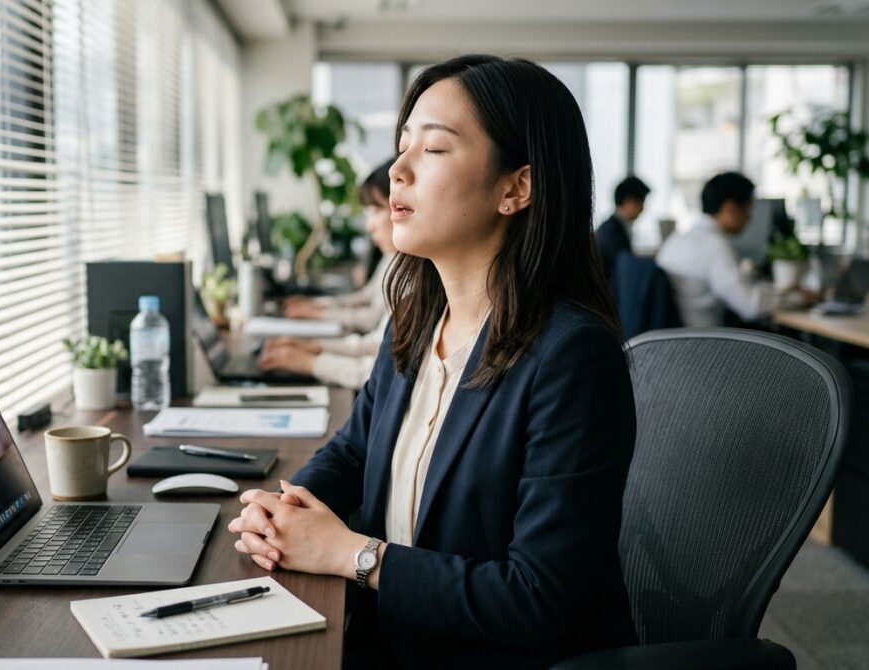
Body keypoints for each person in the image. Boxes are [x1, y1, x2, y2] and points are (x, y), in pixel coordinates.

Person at [227, 55, 637, 669]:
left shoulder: (572, 356)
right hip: (392, 638)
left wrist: (349, 554)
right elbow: (354, 450)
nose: (398, 170)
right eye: (402, 147)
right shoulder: (416, 321)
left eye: (435, 149)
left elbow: (538, 599)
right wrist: (285, 509)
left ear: (515, 188)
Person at [259, 159, 396, 389]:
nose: (368, 226)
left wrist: (311, 361)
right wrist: (316, 346)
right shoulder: (398, 260)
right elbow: (378, 344)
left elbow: (384, 367)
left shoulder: (417, 277)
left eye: (375, 210)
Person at [657, 172, 806, 327]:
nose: (750, 219)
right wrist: (801, 298)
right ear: (730, 208)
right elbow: (749, 306)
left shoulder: (675, 240)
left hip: (673, 337)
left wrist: (780, 292)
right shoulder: (714, 245)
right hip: (703, 338)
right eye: (748, 210)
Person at [281, 166, 393, 333]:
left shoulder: (405, 264)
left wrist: (318, 313)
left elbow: (371, 319)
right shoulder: (391, 256)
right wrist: (318, 305)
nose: (368, 226)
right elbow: (366, 296)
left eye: (376, 211)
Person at [597, 175, 650, 280]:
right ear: (629, 201)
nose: (642, 209)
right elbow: (622, 269)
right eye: (641, 202)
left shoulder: (612, 227)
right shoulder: (612, 231)